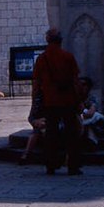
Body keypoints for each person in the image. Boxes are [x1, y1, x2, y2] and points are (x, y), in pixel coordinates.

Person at [32, 28, 82, 175]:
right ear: (61, 41)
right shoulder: (68, 57)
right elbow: (75, 80)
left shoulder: (42, 59)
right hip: (68, 100)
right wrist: (79, 100)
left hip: (50, 101)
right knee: (72, 134)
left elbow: (36, 82)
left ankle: (51, 165)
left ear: (47, 40)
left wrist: (34, 100)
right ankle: (73, 166)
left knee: (51, 133)